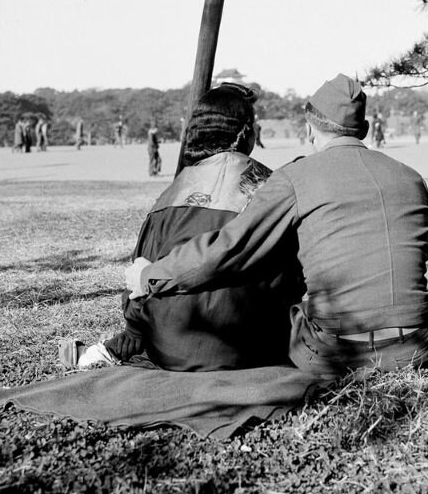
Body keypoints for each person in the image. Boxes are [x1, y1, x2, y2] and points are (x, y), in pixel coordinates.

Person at [125, 74, 428, 378]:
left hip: (336, 353)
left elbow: (228, 249)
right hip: (421, 345)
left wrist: (149, 276)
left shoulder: (296, 177)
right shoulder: (409, 176)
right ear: (366, 127)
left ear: (309, 130)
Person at [61, 83, 304, 371]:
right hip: (246, 346)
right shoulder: (270, 185)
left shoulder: (170, 195)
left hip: (168, 346)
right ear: (244, 132)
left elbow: (139, 280)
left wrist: (135, 336)